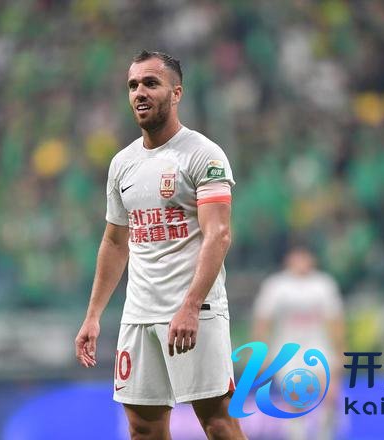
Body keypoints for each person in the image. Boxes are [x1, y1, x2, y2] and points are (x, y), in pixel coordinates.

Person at [75, 50, 245, 440]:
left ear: (176, 92)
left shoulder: (203, 155)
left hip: (194, 310)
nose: (140, 92)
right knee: (142, 428)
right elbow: (115, 242)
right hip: (138, 314)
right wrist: (93, 315)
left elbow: (219, 234)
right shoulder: (123, 163)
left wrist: (191, 305)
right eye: (133, 85)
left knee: (218, 422)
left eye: (151, 83)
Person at [252, 243, 345, 440]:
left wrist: (340, 351)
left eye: (305, 257)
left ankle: (325, 435)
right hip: (288, 351)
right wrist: (261, 355)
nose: (302, 262)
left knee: (331, 394)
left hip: (318, 347)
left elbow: (335, 321)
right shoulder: (276, 285)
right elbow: (262, 321)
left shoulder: (324, 284)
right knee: (296, 397)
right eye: (297, 257)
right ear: (289, 259)